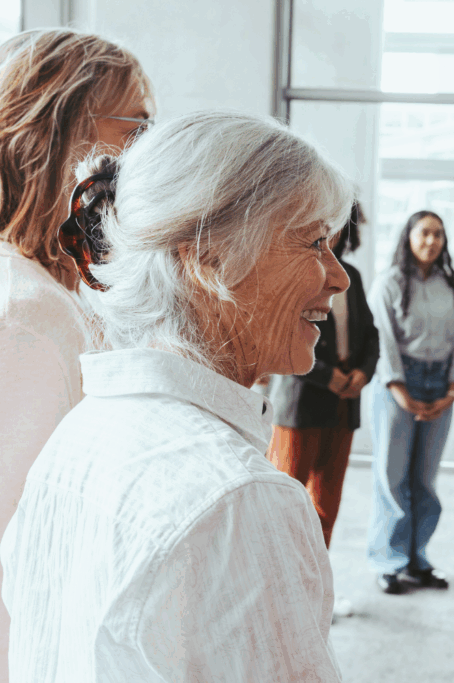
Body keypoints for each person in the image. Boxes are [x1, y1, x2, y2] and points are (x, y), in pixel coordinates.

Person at [1, 111, 351, 681]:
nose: (339, 277)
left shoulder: (78, 436)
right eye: (314, 243)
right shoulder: (240, 498)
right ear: (208, 257)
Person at [0, 29, 151, 681]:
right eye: (136, 127)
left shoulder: (51, 290)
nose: (148, 153)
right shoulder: (27, 312)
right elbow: (20, 546)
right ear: (60, 136)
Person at [265, 200, 379, 618]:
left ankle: (313, 596)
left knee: (325, 509)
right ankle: (276, 598)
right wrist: (327, 375)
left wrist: (363, 374)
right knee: (284, 505)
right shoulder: (293, 271)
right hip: (300, 404)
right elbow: (282, 333)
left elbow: (371, 336)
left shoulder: (353, 277)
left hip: (344, 406)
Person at [366, 210, 454, 594]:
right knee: (392, 478)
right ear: (408, 237)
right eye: (424, 233)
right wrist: (400, 391)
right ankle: (388, 562)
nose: (431, 241)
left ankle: (417, 559)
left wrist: (452, 390)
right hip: (397, 383)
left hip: (439, 384)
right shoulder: (389, 283)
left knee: (425, 481)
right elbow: (383, 339)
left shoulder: (450, 285)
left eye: (438, 234)